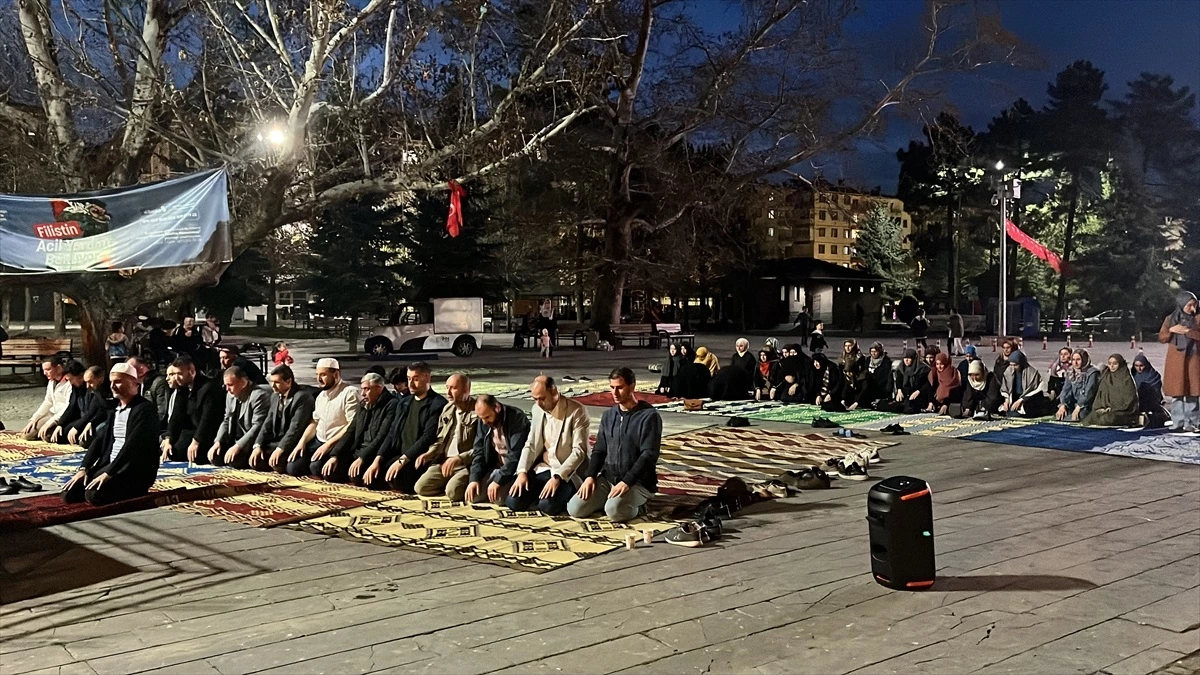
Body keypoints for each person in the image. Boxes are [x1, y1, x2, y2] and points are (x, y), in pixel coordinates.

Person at [567, 367, 660, 522]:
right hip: (609, 479)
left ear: (632, 387)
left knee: (614, 512)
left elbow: (649, 455)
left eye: (620, 388)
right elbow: (599, 450)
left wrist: (627, 482)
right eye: (612, 388)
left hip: (637, 482)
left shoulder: (649, 416)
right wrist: (590, 476)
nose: (615, 393)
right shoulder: (609, 415)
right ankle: (609, 501)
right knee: (575, 509)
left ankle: (641, 506)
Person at [62, 363, 160, 506]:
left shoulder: (145, 410)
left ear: (134, 383)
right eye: (112, 382)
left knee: (93, 495)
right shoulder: (116, 409)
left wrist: (109, 473)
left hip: (132, 469)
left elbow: (132, 446)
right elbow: (100, 440)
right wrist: (84, 468)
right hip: (111, 464)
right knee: (69, 494)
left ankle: (133, 490)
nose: (113, 386)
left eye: (118, 382)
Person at [509, 375, 589, 515]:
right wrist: (522, 472)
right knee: (513, 502)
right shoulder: (537, 409)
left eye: (542, 398)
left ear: (554, 392)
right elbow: (531, 444)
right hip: (543, 468)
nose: (538, 403)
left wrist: (558, 476)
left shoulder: (577, 411)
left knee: (548, 506)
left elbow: (579, 451)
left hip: (566, 472)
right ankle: (540, 494)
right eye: (535, 399)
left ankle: (562, 494)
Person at [368, 361, 446, 492]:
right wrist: (378, 458)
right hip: (399, 454)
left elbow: (428, 437)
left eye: (415, 379)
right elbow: (392, 433)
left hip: (418, 457)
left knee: (400, 480)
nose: (410, 384)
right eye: (409, 379)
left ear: (427, 378)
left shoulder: (437, 404)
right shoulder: (404, 402)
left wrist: (403, 460)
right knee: (366, 476)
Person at [289, 358, 360, 476]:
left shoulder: (349, 393)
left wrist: (328, 445)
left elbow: (351, 425)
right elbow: (315, 422)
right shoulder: (321, 395)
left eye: (323, 375)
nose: (319, 379)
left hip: (336, 444)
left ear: (336, 374)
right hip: (318, 441)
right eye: (317, 375)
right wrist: (302, 442)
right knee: (293, 467)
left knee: (317, 468)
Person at [413, 374, 478, 500]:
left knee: (453, 492)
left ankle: (459, 483)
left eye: (453, 388)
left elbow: (482, 447)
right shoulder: (448, 409)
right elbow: (440, 439)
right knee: (421, 488)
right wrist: (429, 453)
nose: (448, 392)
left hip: (466, 464)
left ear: (466, 390)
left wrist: (460, 458)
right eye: (447, 387)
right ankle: (448, 482)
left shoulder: (477, 411)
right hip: (445, 461)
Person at [325, 372, 399, 483]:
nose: (363, 393)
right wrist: (335, 455)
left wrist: (362, 458)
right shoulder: (363, 404)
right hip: (357, 450)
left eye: (367, 389)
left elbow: (381, 437)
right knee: (329, 472)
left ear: (379, 389)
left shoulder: (391, 405)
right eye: (362, 389)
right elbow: (351, 431)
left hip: (373, 453)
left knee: (358, 477)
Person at [250, 365, 317, 472]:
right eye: (271, 382)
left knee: (292, 469)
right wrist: (258, 445)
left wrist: (280, 449)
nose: (273, 386)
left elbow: (295, 428)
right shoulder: (275, 396)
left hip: (295, 443)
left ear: (289, 381)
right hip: (277, 441)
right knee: (256, 461)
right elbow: (268, 422)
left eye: (277, 382)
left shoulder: (302, 397)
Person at [465, 395, 531, 504]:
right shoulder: (483, 421)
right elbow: (479, 451)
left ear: (497, 408)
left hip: (514, 470)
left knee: (499, 498)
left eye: (487, 417)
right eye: (481, 418)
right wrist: (474, 479)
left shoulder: (516, 418)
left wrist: (498, 480)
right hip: (496, 466)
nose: (484, 422)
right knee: (473, 497)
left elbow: (515, 455)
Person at [159, 355, 225, 463]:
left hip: (206, 433)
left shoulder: (209, 388)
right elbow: (176, 416)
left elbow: (208, 420)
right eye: (174, 374)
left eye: (179, 374)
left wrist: (196, 441)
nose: (176, 378)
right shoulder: (183, 388)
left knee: (181, 453)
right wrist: (168, 439)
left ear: (192, 372)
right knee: (164, 447)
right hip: (189, 430)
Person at [207, 366, 270, 468]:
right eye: (225, 385)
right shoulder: (230, 394)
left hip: (250, 440)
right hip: (234, 437)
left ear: (243, 383)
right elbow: (226, 419)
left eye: (230, 385)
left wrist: (238, 446)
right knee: (215, 457)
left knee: (235, 461)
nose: (227, 389)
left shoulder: (258, 396)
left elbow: (257, 426)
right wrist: (218, 441)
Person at [1158, 290, 1200, 432]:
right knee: (1177, 393)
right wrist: (1172, 330)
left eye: (1194, 305)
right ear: (1181, 304)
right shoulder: (1171, 319)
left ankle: (1192, 423)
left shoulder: (1198, 318)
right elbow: (1162, 338)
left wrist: (1189, 332)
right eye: (1189, 305)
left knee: (1192, 393)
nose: (1193, 309)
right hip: (1176, 362)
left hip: (1193, 360)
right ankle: (1177, 422)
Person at [1082, 354, 1141, 428]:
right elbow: (1099, 396)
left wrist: (1111, 409)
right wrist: (1100, 408)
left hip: (1123, 413)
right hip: (1105, 410)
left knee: (1107, 419)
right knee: (1090, 418)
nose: (1112, 366)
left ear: (1120, 364)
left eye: (1115, 364)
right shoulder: (1106, 377)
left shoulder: (1126, 380)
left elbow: (1129, 401)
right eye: (1109, 364)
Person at [22, 356, 72, 441]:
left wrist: (49, 423)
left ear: (59, 368)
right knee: (28, 434)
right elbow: (48, 401)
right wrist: (35, 418)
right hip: (52, 413)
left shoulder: (69, 382)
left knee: (47, 436)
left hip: (63, 416)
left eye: (48, 369)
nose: (45, 373)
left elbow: (67, 406)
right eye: (43, 370)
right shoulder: (51, 381)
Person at [60, 366, 111, 446]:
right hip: (95, 419)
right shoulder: (96, 390)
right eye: (86, 382)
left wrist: (92, 422)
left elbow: (107, 410)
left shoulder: (109, 388)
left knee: (93, 434)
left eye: (90, 382)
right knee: (64, 432)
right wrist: (61, 424)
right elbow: (92, 410)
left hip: (108, 419)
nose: (87, 386)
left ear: (100, 378)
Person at [999, 350, 1052, 417]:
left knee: (1030, 407)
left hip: (1028, 398)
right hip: (1014, 397)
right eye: (1011, 365)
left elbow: (1033, 389)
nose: (1013, 368)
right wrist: (1007, 401)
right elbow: (1006, 388)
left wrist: (1021, 400)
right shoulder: (1008, 371)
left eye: (1015, 365)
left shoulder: (1031, 372)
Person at [43, 361, 87, 443]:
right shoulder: (75, 387)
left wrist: (77, 427)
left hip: (88, 420)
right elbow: (71, 406)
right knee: (56, 435)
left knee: (85, 439)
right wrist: (60, 424)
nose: (70, 382)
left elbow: (92, 411)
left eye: (71, 379)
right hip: (79, 419)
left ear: (80, 376)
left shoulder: (89, 387)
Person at [1056, 349, 1099, 422]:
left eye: (1078, 359)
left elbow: (1088, 393)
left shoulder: (1092, 373)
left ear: (1084, 359)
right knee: (1061, 415)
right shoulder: (1071, 372)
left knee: (1079, 416)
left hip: (1087, 406)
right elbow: (1066, 390)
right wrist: (1063, 404)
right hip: (1074, 404)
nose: (1075, 363)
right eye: (1073, 360)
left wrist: (1078, 407)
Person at [885, 349, 930, 414]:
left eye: (909, 358)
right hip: (905, 393)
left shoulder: (922, 369)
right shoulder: (901, 368)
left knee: (909, 408)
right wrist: (899, 390)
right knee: (894, 406)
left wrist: (918, 391)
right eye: (905, 358)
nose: (906, 360)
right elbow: (899, 381)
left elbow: (926, 384)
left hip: (918, 394)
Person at [1131, 354, 1170, 429]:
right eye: (1136, 366)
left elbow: (1156, 394)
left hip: (1152, 404)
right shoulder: (1132, 376)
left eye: (1141, 366)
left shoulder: (1154, 376)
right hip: (1135, 404)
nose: (1139, 368)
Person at [852, 342, 892, 410]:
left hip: (879, 385)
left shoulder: (886, 361)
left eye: (875, 351)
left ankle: (857, 402)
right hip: (867, 384)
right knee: (863, 382)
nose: (873, 353)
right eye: (872, 351)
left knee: (867, 382)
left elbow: (885, 376)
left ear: (880, 351)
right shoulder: (868, 360)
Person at [839, 340, 868, 407]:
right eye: (846, 346)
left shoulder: (860, 357)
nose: (847, 348)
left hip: (858, 380)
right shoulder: (842, 358)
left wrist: (853, 377)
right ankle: (843, 401)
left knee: (865, 384)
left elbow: (863, 371)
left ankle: (856, 402)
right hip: (847, 381)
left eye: (850, 346)